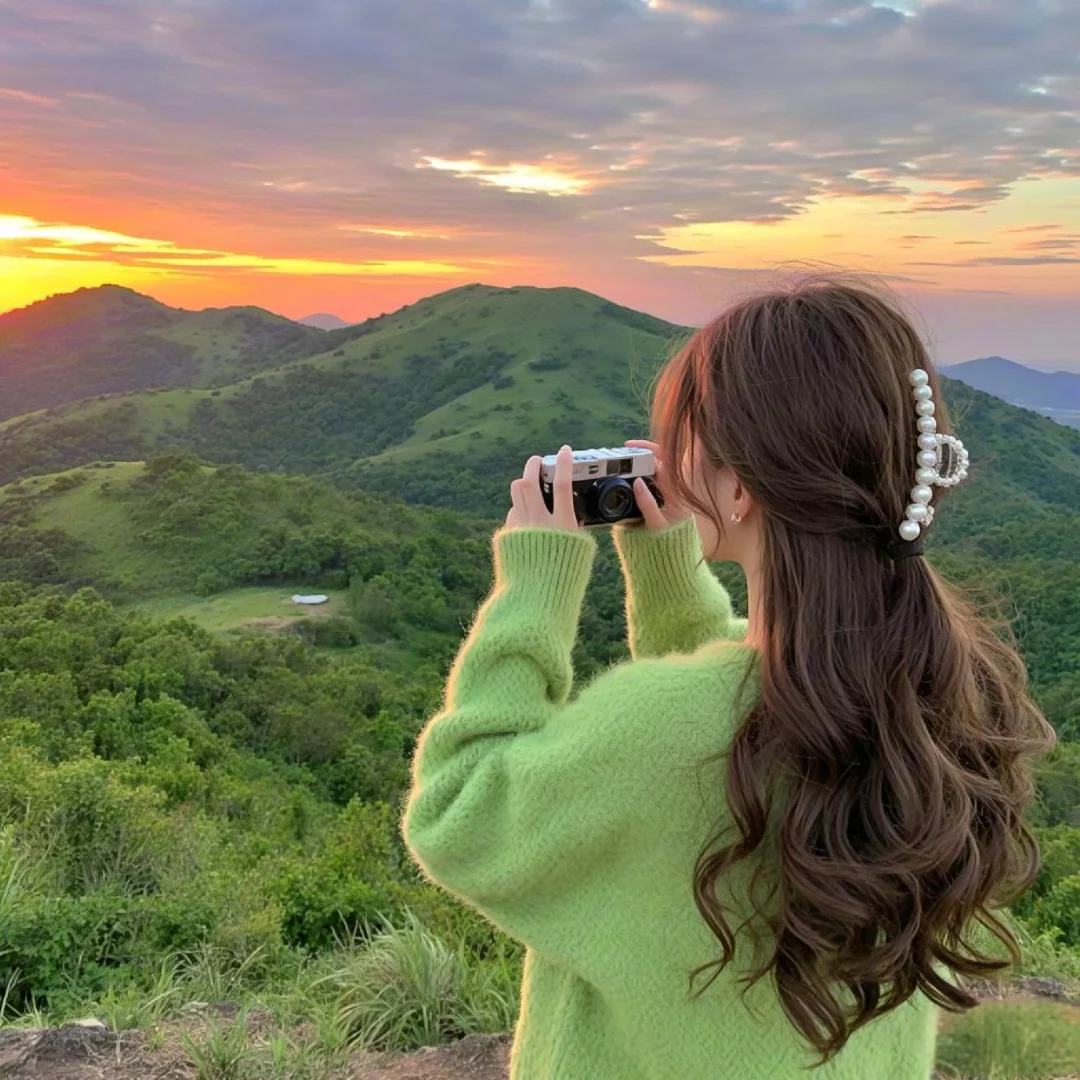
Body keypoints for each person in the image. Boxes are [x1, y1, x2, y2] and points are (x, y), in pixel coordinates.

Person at [402, 279, 1055, 1079]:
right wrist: (668, 565)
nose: (673, 461)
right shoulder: (936, 684)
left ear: (741, 488)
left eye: (688, 442)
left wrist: (535, 585)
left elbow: (458, 812)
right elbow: (742, 702)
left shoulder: (674, 728)